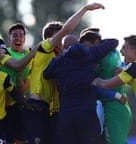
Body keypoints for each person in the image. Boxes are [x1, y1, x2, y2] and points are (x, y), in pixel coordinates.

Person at [19, 3, 105, 144]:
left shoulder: (59, 60)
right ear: (48, 39)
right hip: (36, 106)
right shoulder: (44, 48)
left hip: (49, 111)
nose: (62, 44)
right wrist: (85, 9)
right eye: (59, 39)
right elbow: (68, 28)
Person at [43, 25, 118, 144]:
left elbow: (46, 74)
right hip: (87, 114)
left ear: (63, 47)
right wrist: (91, 43)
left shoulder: (58, 62)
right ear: (78, 43)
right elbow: (113, 42)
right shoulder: (90, 54)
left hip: (66, 116)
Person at [83, 28, 132, 144]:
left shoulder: (105, 55)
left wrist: (115, 95)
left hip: (115, 108)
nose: (121, 51)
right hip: (117, 107)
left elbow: (98, 84)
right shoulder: (111, 53)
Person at [0, 23, 31, 144]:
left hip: (19, 104)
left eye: (21, 36)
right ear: (9, 38)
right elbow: (17, 66)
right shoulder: (3, 53)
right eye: (15, 35)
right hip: (2, 106)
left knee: (21, 139)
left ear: (24, 39)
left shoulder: (29, 56)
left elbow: (22, 90)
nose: (18, 38)